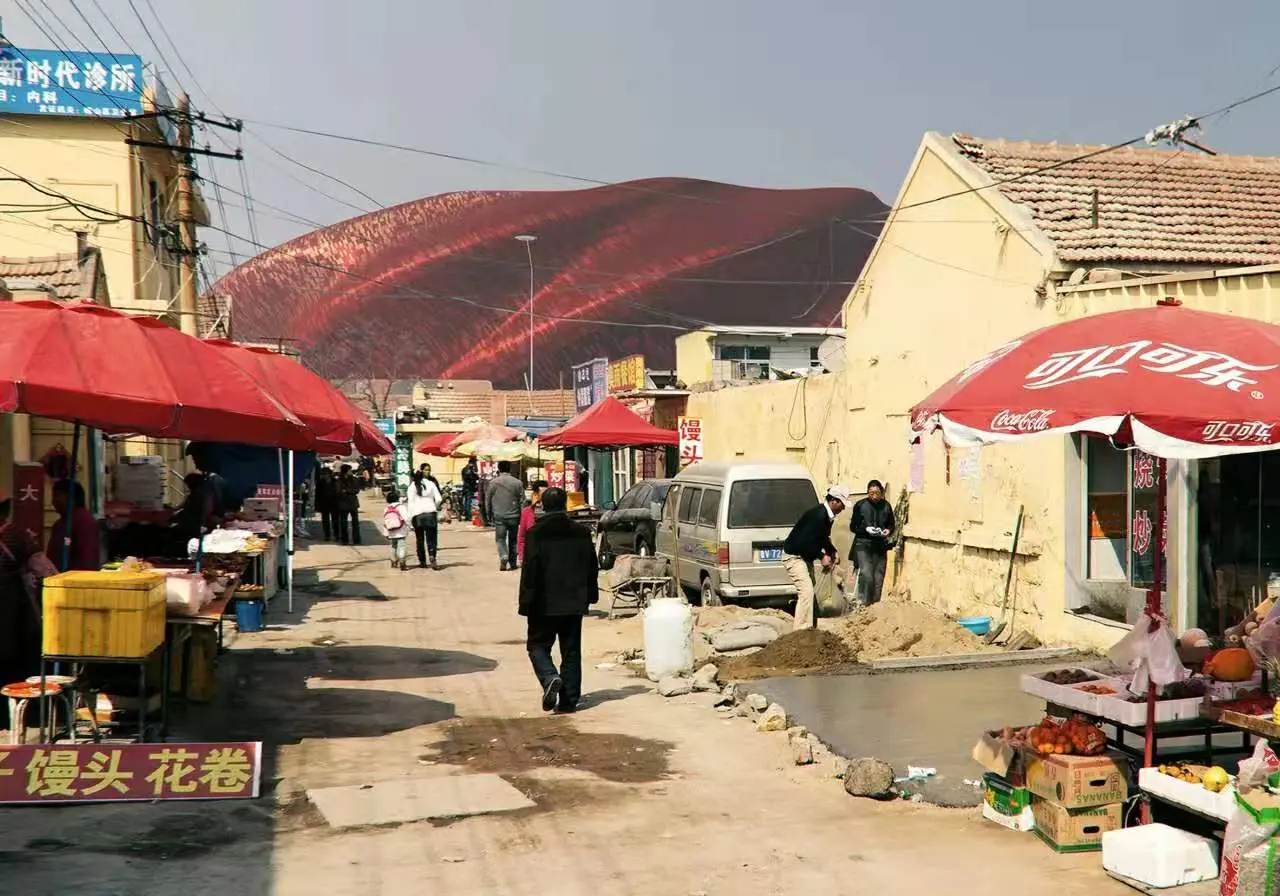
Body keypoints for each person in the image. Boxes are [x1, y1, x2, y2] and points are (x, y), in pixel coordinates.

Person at [518, 487, 598, 714]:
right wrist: (590, 595)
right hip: (573, 600)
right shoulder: (581, 532)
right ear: (565, 505)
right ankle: (568, 701)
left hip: (543, 602)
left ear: (543, 505)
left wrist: (526, 602)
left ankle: (549, 676)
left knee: (537, 645)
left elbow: (530, 571)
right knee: (571, 650)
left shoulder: (536, 533)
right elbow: (591, 566)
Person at [0, 492, 44, 726]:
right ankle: (18, 718)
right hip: (12, 612)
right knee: (15, 665)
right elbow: (45, 569)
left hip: (11, 612)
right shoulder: (16, 536)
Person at [781, 485, 850, 631]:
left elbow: (823, 537)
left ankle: (811, 629)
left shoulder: (827, 516)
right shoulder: (818, 515)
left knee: (810, 593)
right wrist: (821, 556)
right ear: (834, 501)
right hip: (794, 557)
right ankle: (801, 632)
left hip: (805, 558)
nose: (843, 508)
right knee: (806, 592)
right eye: (842, 504)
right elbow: (805, 541)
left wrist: (832, 551)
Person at [850, 479, 896, 607]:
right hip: (863, 544)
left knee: (878, 578)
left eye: (877, 493)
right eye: (871, 493)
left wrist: (888, 530)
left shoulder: (886, 506)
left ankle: (874, 606)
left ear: (881, 493)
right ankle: (863, 604)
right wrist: (865, 529)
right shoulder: (860, 505)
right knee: (866, 574)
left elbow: (891, 525)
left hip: (880, 546)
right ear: (867, 493)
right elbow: (853, 526)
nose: (874, 496)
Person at [47, 480, 101, 572]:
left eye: (58, 496)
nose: (54, 501)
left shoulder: (84, 521)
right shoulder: (61, 523)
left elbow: (88, 557)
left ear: (71, 497)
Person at [487, 461, 526, 571]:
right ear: (510, 469)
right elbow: (523, 501)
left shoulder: (493, 483)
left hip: (499, 515)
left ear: (499, 469)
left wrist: (488, 514)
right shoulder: (517, 483)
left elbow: (488, 500)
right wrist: (522, 515)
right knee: (513, 539)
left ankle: (503, 556)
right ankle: (513, 562)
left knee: (500, 539)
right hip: (514, 515)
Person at [406, 470, 444, 569]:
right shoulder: (431, 483)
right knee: (432, 538)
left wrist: (409, 520)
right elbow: (439, 499)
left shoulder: (411, 487)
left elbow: (410, 504)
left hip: (417, 515)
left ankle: (422, 561)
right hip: (430, 514)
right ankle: (432, 556)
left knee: (420, 539)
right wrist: (434, 507)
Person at [517, 479, 549, 566]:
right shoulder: (527, 512)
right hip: (532, 557)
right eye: (541, 493)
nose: (543, 497)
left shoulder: (553, 512)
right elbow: (522, 536)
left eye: (546, 493)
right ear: (535, 494)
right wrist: (521, 556)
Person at [380, 489, 409, 571]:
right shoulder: (401, 507)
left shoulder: (387, 508)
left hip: (391, 531)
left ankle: (393, 561)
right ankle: (402, 562)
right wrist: (410, 526)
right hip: (401, 530)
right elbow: (406, 518)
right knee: (401, 545)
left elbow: (385, 519)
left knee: (393, 546)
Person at [335, 465, 362, 545]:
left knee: (355, 523)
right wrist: (349, 491)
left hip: (353, 504)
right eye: (349, 470)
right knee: (343, 523)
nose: (351, 472)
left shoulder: (354, 479)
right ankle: (344, 540)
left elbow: (356, 490)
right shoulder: (339, 480)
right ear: (345, 471)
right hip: (343, 504)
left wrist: (346, 491)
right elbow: (338, 491)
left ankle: (356, 540)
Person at [315, 468, 337, 542]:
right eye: (324, 474)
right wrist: (317, 505)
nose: (325, 475)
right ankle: (327, 535)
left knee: (335, 520)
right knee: (325, 521)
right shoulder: (320, 482)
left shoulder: (335, 481)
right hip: (324, 504)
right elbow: (317, 494)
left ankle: (336, 534)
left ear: (330, 474)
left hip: (334, 503)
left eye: (327, 474)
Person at [461, 457, 480, 522]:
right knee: (468, 502)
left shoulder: (464, 469)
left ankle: (467, 515)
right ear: (472, 463)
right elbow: (471, 478)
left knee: (466, 501)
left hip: (465, 487)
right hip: (469, 487)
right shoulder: (469, 470)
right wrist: (476, 476)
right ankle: (468, 516)